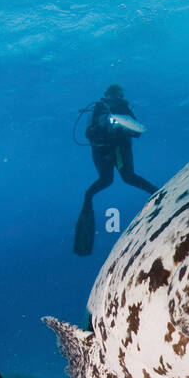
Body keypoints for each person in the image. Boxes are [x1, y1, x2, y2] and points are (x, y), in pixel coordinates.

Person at [74, 84, 158, 256]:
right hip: (102, 150)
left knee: (127, 177)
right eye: (113, 96)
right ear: (106, 96)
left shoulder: (124, 109)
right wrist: (101, 125)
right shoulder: (96, 109)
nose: (115, 99)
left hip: (120, 148)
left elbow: (137, 130)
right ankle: (155, 192)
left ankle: (156, 192)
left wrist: (122, 127)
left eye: (117, 96)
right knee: (107, 179)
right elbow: (87, 134)